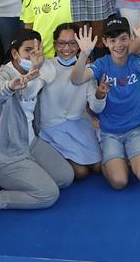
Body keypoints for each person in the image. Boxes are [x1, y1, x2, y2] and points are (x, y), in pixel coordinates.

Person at [0, 31, 75, 210]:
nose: (34, 55)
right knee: (48, 195)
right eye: (28, 50)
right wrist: (9, 86)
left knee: (66, 178)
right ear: (15, 54)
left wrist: (34, 72)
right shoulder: (3, 75)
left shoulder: (39, 69)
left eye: (37, 50)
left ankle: (20, 179)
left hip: (31, 144)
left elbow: (31, 93)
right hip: (6, 155)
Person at [72, 16, 140, 190]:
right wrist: (84, 55)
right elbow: (76, 79)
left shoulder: (135, 62)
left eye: (123, 38)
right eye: (112, 40)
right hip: (110, 133)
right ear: (105, 42)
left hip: (135, 130)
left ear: (130, 39)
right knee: (119, 182)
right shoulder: (101, 64)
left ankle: (127, 157)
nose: (119, 44)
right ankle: (110, 160)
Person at [36, 24, 102, 179]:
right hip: (51, 128)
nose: (67, 48)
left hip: (78, 124)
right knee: (80, 172)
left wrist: (99, 95)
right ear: (54, 45)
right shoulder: (45, 66)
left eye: (72, 43)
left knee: (99, 166)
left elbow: (96, 108)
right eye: (61, 43)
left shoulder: (88, 68)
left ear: (79, 45)